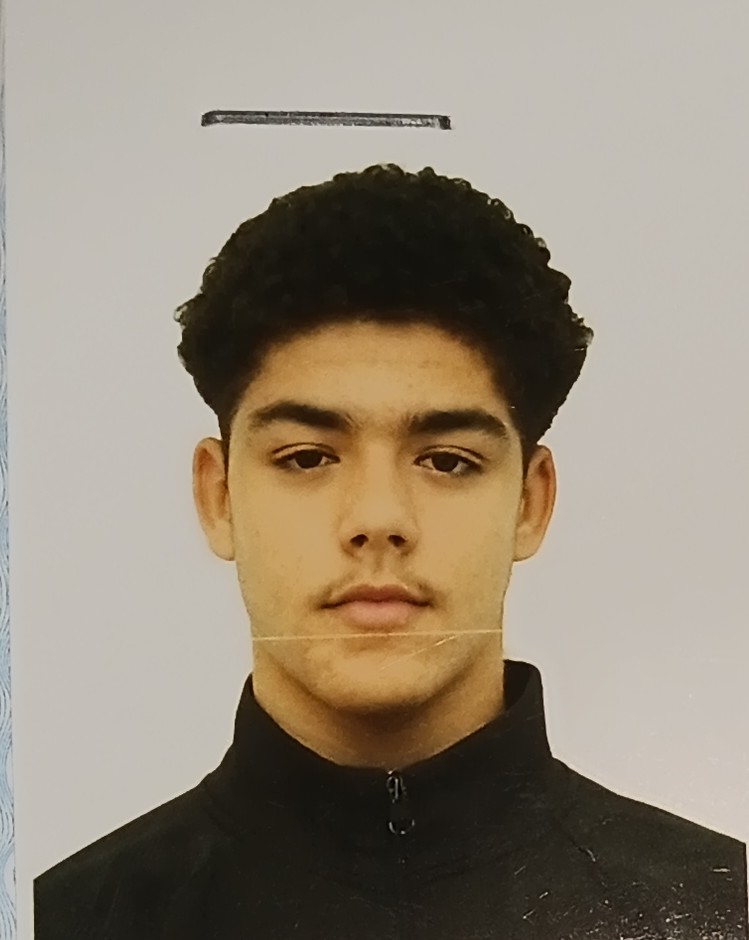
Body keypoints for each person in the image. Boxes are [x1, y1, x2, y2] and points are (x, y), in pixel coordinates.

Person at [33, 164, 748, 939]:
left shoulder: (721, 910)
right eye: (307, 457)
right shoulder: (60, 922)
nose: (378, 518)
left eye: (446, 461)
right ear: (219, 497)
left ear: (529, 503)